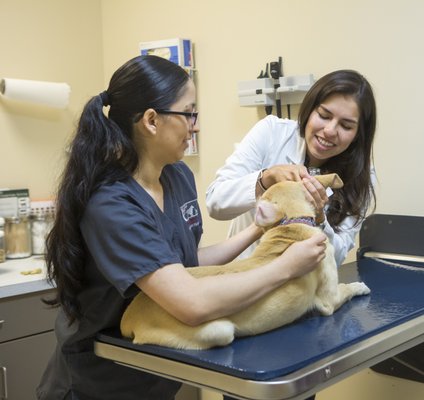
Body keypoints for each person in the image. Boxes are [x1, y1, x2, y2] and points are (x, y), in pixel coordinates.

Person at [36, 55, 328, 400]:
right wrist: (287, 266)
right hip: (100, 382)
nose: (195, 125)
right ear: (151, 121)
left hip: (156, 373)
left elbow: (181, 264)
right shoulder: (111, 204)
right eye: (189, 113)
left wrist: (259, 231)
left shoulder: (176, 177)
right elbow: (192, 303)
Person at [206, 69, 377, 267]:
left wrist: (320, 219)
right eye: (324, 115)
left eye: (346, 126)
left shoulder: (361, 174)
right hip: (244, 277)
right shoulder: (271, 132)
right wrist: (265, 179)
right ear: (310, 109)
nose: (330, 131)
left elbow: (336, 258)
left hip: (299, 289)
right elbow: (215, 202)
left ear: (358, 135)